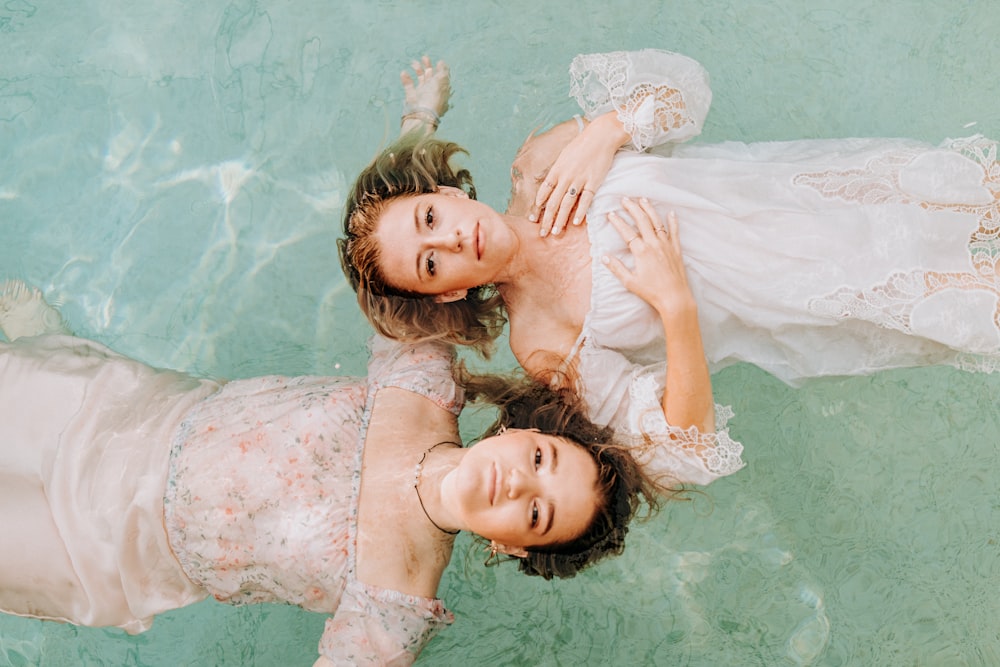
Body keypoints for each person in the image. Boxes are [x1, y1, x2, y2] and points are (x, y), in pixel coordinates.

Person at [340, 49, 1000, 487]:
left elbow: (687, 87)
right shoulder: (540, 338)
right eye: (432, 264)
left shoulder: (540, 163)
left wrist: (610, 130)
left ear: (448, 195)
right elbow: (683, 452)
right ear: (450, 288)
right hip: (823, 298)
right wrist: (675, 305)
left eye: (431, 218)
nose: (453, 240)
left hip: (826, 193)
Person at [0, 279, 655, 666]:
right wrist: (419, 121)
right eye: (540, 459)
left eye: (535, 512)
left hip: (107, 547)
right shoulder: (422, 387)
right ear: (520, 431)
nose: (518, 482)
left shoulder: (395, 600)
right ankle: (47, 342)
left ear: (511, 544)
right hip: (133, 412)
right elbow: (400, 255)